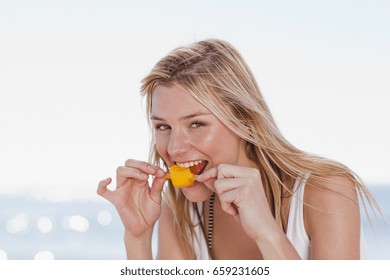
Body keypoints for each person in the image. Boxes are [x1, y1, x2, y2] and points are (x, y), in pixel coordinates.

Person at [97, 39, 378, 260]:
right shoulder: (180, 207)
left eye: (196, 124)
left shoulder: (327, 190)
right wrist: (138, 237)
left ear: (243, 120)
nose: (173, 148)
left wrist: (267, 233)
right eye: (162, 127)